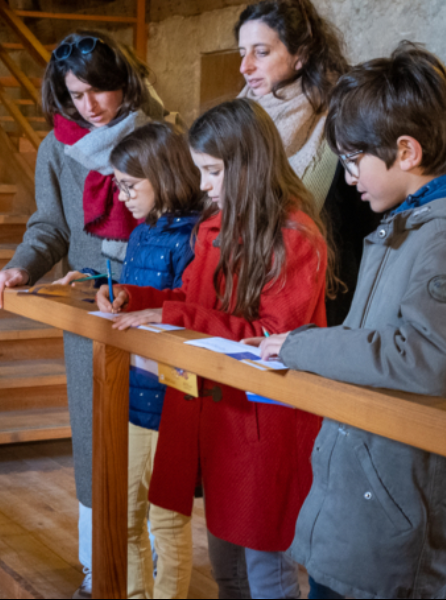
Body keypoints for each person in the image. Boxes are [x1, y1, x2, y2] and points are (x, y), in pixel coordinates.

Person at [256, 42, 446, 600]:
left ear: (405, 151)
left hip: (398, 518)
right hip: (369, 504)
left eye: (355, 159)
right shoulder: (408, 223)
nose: (349, 175)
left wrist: (301, 346)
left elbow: (430, 358)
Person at [100, 99, 331, 600]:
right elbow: (192, 302)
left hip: (264, 423)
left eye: (212, 171)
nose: (203, 185)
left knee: (266, 569)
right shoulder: (215, 226)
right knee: (227, 567)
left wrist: (174, 313)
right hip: (219, 413)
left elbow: (271, 338)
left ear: (247, 166)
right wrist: (137, 299)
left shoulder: (293, 237)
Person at [0, 30, 165, 599]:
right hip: (89, 307)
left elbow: (180, 217)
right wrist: (20, 268)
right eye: (75, 94)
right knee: (94, 442)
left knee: (152, 445)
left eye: (98, 91)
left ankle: (151, 572)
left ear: (123, 84)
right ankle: (95, 568)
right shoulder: (55, 149)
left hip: (156, 303)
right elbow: (50, 227)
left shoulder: (160, 139)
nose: (88, 106)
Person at [235, 0, 380, 325]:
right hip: (245, 300)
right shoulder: (234, 125)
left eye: (261, 52)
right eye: (241, 52)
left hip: (324, 305)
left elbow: (367, 231)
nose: (244, 66)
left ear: (300, 54)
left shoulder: (342, 123)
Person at [104, 122, 202, 599]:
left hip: (173, 400)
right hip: (133, 394)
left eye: (129, 186)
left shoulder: (198, 236)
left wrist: (151, 308)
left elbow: (193, 306)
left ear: (162, 175)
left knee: (166, 522)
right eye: (118, 187)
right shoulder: (142, 234)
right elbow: (138, 294)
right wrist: (116, 293)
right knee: (123, 516)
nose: (122, 197)